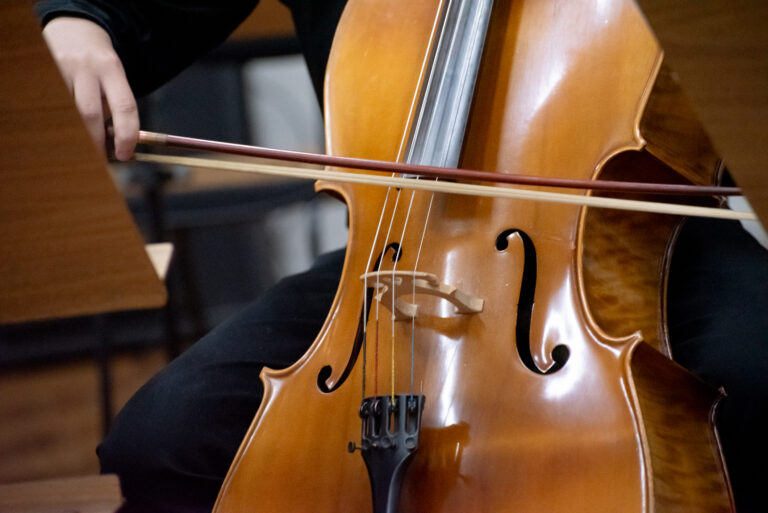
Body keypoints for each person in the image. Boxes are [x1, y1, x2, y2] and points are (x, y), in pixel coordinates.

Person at [34, 2, 768, 512]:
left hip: (641, 234)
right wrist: (82, 20)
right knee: (163, 442)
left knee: (753, 378)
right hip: (393, 254)